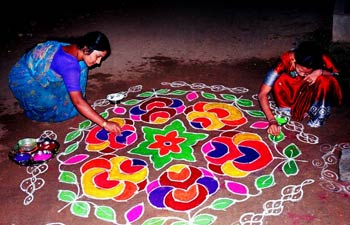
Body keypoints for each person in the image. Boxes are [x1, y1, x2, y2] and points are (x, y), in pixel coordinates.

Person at [8, 31, 121, 134]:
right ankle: (33, 110)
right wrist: (105, 124)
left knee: (82, 65)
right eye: (98, 57)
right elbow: (77, 102)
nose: (98, 62)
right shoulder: (69, 66)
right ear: (86, 48)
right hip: (23, 80)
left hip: (46, 72)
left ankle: (73, 95)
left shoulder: (76, 47)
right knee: (60, 106)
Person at [258, 41, 342, 136]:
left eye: (307, 73)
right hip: (292, 89)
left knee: (325, 80)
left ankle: (316, 114)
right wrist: (272, 120)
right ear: (295, 61)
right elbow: (263, 93)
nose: (302, 74)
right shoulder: (285, 60)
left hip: (309, 90)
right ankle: (287, 108)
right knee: (280, 79)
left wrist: (320, 72)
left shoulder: (321, 58)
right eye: (300, 70)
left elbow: (337, 75)